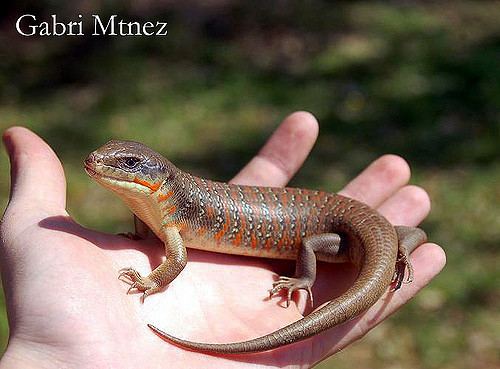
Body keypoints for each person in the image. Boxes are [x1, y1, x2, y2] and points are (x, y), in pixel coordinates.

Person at [0, 112, 445, 368]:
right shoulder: (158, 208)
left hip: (349, 235)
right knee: (401, 234)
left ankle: (385, 254)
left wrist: (151, 282)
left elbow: (176, 261)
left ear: (157, 180)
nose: (106, 164)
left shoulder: (173, 215)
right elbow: (151, 227)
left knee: (375, 239)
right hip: (357, 228)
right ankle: (398, 248)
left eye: (131, 164)